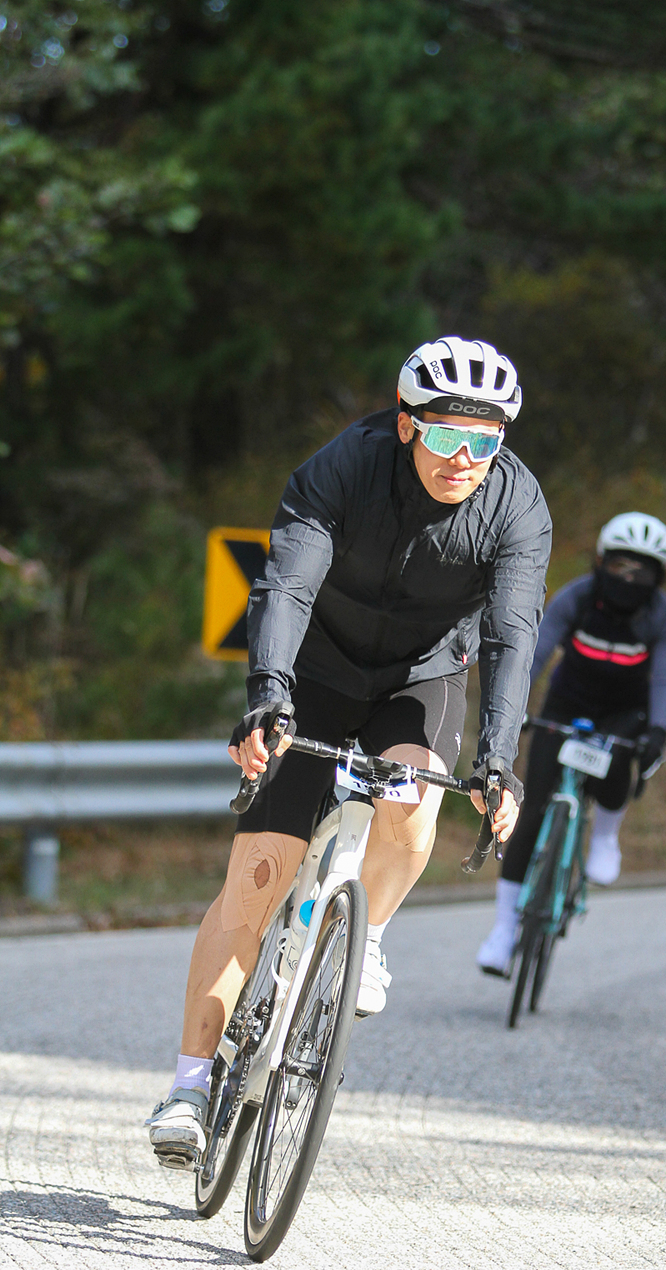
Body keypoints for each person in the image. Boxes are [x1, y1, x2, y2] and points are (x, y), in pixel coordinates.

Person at [147, 337, 551, 1169]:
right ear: (406, 425)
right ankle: (189, 1087)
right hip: (319, 672)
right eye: (448, 435)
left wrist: (498, 759)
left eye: (485, 441)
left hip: (422, 677)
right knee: (256, 878)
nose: (465, 458)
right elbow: (286, 585)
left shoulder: (516, 504)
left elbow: (513, 633)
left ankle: (366, 937)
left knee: (413, 802)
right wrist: (269, 695)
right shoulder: (345, 468)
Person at [476, 512, 666, 976]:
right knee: (531, 811)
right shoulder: (577, 597)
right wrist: (512, 706)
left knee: (621, 764)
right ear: (600, 562)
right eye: (620, 567)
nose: (628, 579)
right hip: (567, 704)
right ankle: (504, 930)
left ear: (659, 579)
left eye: (642, 572)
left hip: (625, 712)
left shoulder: (663, 618)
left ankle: (605, 838)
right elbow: (535, 652)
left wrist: (658, 732)